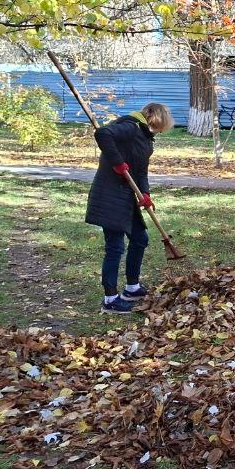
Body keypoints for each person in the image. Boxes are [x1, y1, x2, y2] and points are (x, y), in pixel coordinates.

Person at [85, 102, 173, 314]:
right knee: (115, 246)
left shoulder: (145, 139)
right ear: (154, 117)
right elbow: (103, 134)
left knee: (140, 239)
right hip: (109, 195)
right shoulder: (130, 127)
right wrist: (117, 162)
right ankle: (110, 299)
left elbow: (141, 172)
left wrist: (145, 193)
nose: (159, 131)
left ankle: (131, 288)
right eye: (160, 125)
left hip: (126, 197)